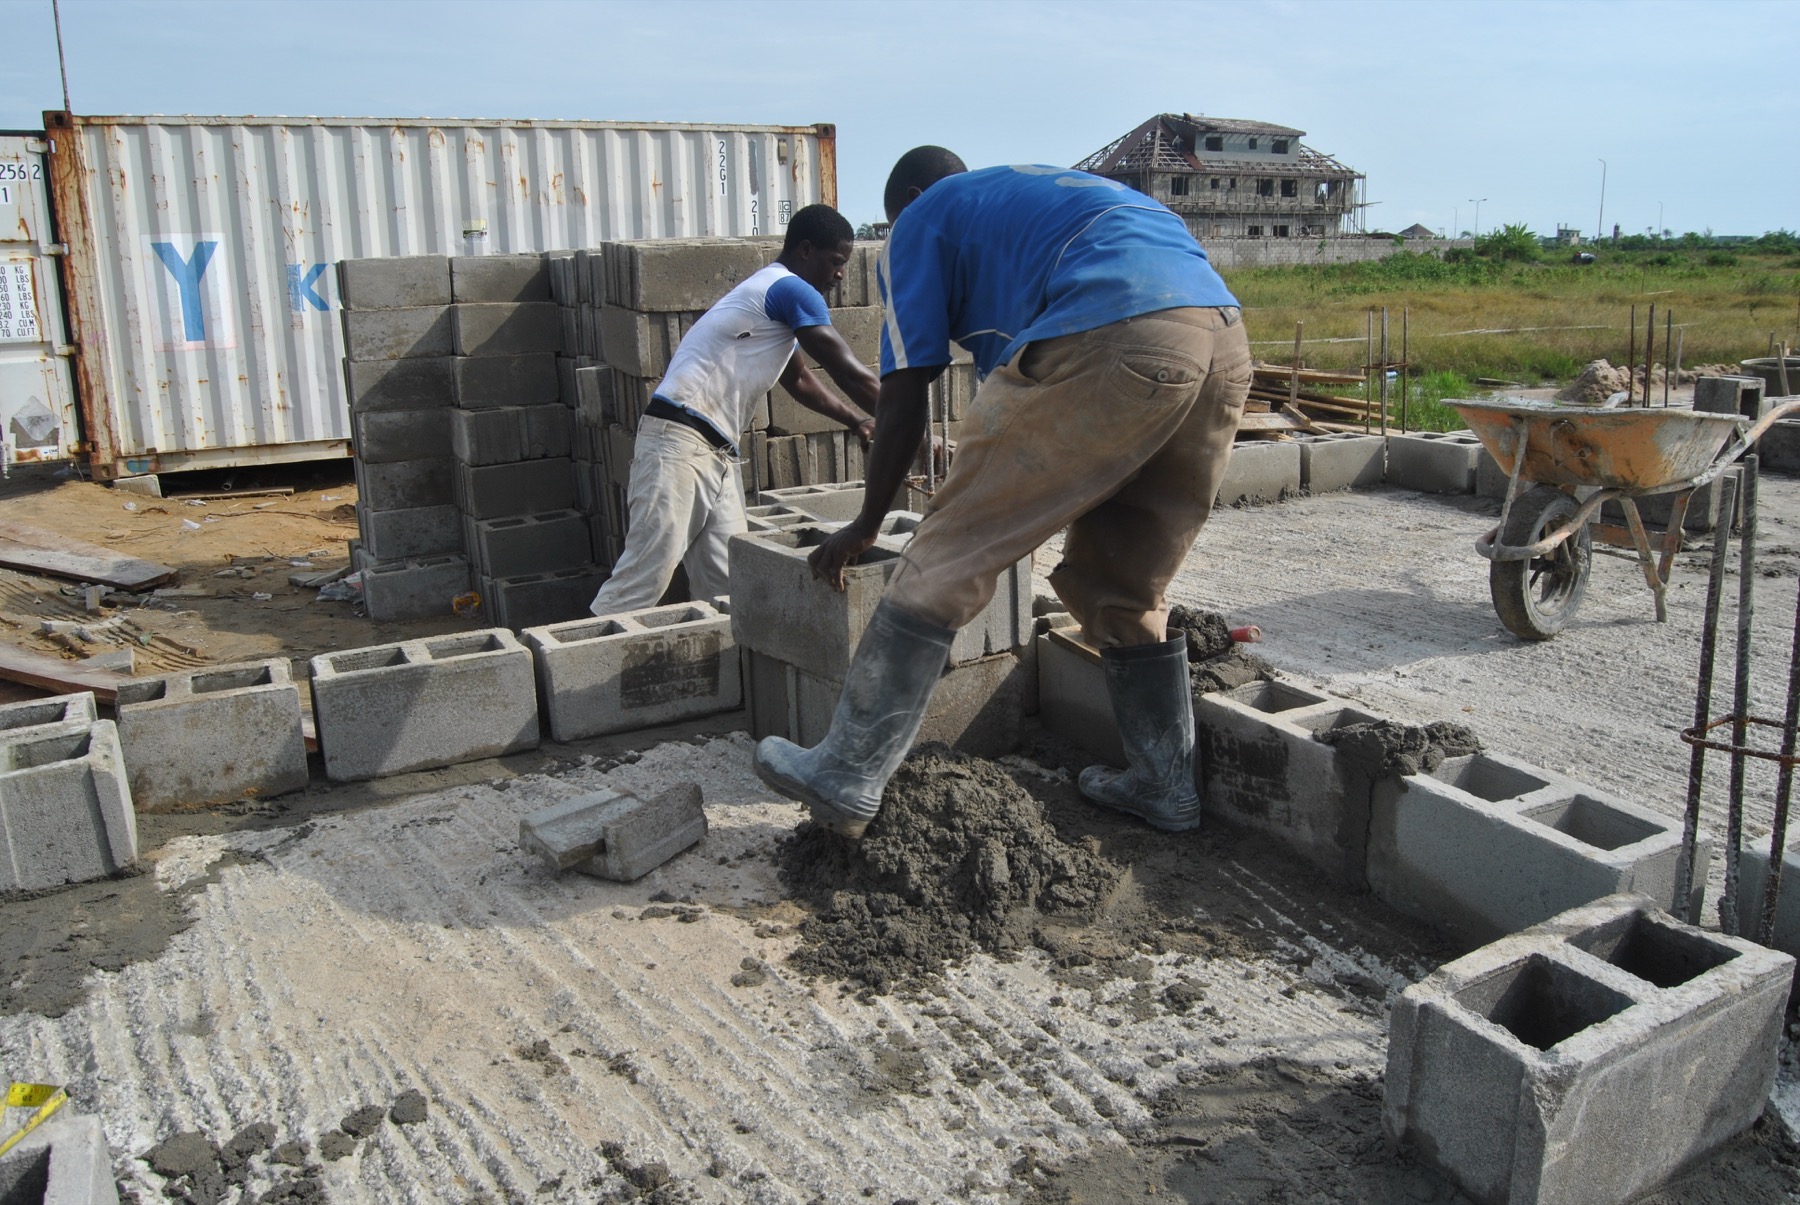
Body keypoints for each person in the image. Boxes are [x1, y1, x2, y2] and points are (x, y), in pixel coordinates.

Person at [754, 147, 1251, 839]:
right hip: (1223, 342)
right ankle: (1164, 785)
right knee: (1126, 583)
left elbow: (904, 394)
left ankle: (846, 770)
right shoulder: (1037, 202)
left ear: (913, 197)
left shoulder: (924, 217)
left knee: (948, 548)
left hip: (1115, 325)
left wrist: (867, 523)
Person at [588, 205, 880, 616]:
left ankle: (728, 660)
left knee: (730, 590)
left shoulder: (770, 300)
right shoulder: (790, 289)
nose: (840, 274)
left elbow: (799, 379)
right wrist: (909, 426)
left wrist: (858, 420)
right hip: (679, 445)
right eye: (836, 262)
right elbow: (847, 372)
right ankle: (578, 651)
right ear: (806, 250)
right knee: (641, 581)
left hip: (717, 455)